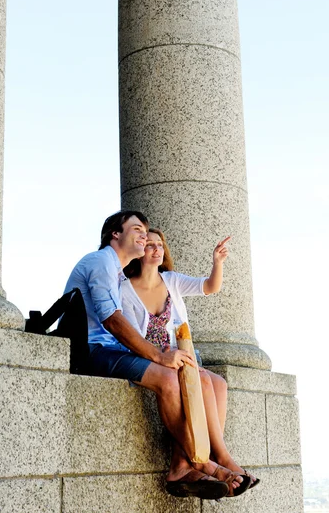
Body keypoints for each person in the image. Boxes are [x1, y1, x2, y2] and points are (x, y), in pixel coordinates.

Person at [63, 211, 248, 499]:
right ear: (115, 233)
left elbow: (207, 287)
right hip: (94, 351)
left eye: (148, 233)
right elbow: (112, 320)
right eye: (137, 229)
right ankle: (201, 460)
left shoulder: (115, 270)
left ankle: (189, 462)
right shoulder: (102, 262)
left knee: (207, 381)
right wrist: (160, 357)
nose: (145, 236)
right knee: (170, 379)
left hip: (115, 349)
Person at [121, 227, 259, 491]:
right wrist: (163, 357)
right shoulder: (125, 290)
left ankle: (199, 457)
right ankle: (217, 457)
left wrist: (217, 263)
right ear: (139, 252)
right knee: (205, 383)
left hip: (182, 356)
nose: (156, 249)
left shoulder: (170, 280)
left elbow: (210, 286)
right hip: (152, 359)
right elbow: (131, 338)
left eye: (160, 244)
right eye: (150, 244)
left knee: (218, 383)